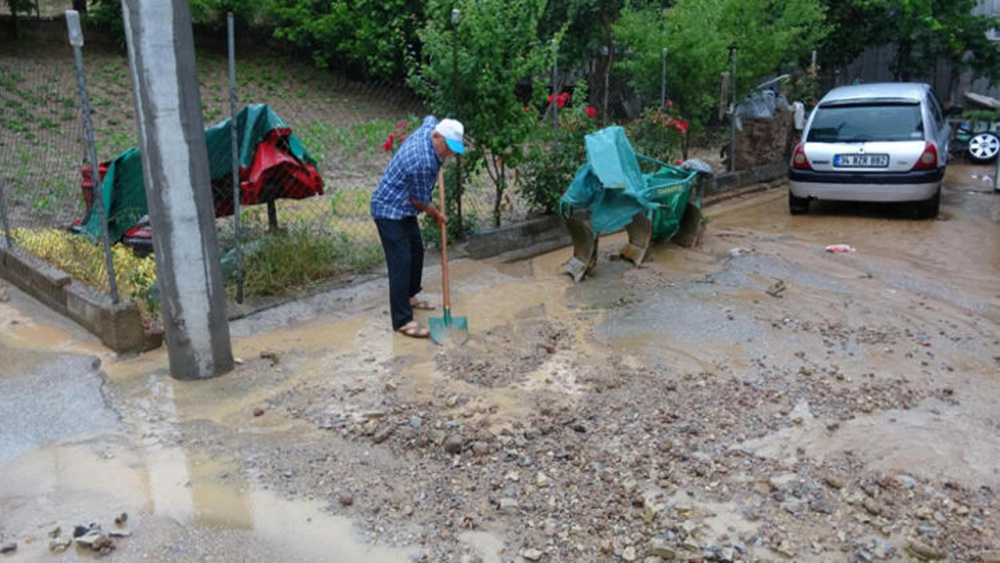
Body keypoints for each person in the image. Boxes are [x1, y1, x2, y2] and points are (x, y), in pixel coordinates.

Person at [371, 116, 464, 338]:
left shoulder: (431, 130)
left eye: (453, 149)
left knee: (417, 252)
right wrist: (437, 215)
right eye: (447, 148)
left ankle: (410, 296)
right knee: (401, 262)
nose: (449, 154)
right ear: (436, 137)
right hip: (389, 210)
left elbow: (429, 118)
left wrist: (441, 148)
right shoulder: (422, 161)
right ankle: (402, 321)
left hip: (405, 208)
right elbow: (419, 200)